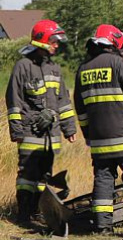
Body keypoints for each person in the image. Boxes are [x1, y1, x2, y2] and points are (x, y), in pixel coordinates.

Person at [6, 20, 77, 226]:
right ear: (43, 41)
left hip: (51, 137)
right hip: (29, 133)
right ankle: (23, 215)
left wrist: (69, 128)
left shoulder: (55, 68)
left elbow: (63, 101)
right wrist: (17, 130)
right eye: (54, 41)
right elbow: (14, 101)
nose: (57, 45)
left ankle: (39, 213)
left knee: (44, 177)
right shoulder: (23, 66)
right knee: (27, 176)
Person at [74, 24, 123, 233]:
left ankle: (103, 226)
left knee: (103, 179)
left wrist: (89, 135)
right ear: (114, 42)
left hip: (99, 141)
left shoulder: (83, 69)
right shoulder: (120, 64)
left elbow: (81, 110)